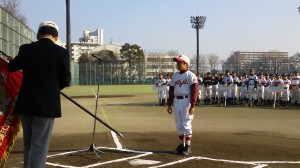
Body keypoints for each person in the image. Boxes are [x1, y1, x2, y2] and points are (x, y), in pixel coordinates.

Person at [7, 21, 71, 168]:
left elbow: (12, 67)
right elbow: (66, 79)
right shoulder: (61, 52)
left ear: (38, 35)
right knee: (39, 146)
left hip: (25, 103)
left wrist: (13, 60)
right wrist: (53, 89)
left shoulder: (25, 49)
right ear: (56, 37)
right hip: (46, 106)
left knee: (28, 144)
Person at [167, 54, 198, 155]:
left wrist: (193, 105)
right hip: (177, 101)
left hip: (186, 101)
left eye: (180, 62)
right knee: (179, 124)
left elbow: (194, 91)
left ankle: (188, 146)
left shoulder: (191, 76)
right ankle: (182, 144)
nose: (178, 64)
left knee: (186, 123)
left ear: (186, 64)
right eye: (177, 62)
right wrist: (169, 104)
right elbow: (171, 91)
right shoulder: (175, 76)